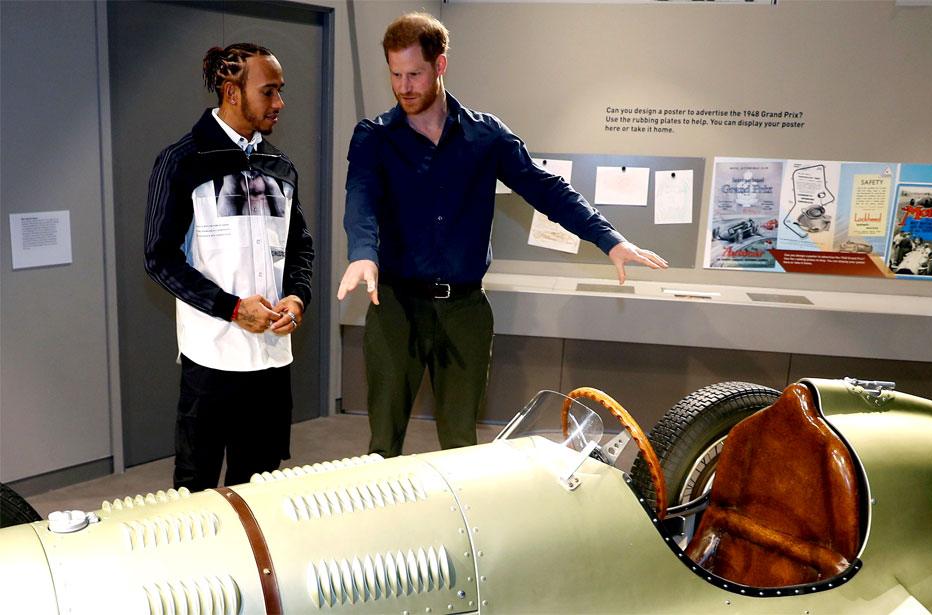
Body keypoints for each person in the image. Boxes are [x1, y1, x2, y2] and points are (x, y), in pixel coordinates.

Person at [337, 13, 667, 458]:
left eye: (414, 73)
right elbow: (360, 196)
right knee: (383, 444)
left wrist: (608, 238)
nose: (403, 86)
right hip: (396, 305)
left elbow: (544, 186)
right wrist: (362, 252)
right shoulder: (374, 137)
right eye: (395, 74)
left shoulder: (485, 135)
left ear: (440, 66)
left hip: (465, 311)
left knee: (461, 444)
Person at [145, 43, 314, 490]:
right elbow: (158, 258)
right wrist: (235, 309)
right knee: (195, 490)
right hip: (212, 361)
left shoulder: (280, 165)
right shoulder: (182, 161)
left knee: (260, 487)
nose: (279, 103)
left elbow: (300, 248)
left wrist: (297, 297)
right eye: (269, 91)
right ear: (232, 92)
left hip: (272, 363)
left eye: (280, 91)